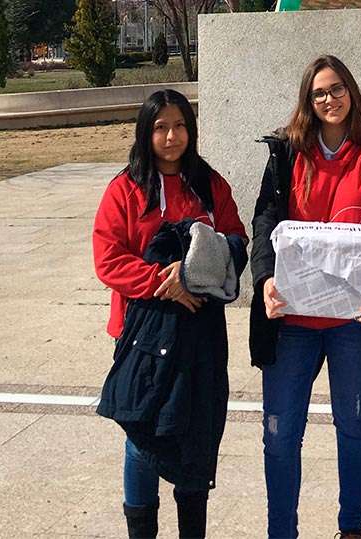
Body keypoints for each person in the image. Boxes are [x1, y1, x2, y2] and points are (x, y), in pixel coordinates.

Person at [248, 55, 361, 539]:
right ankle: (282, 532)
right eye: (319, 93)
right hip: (293, 319)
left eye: (337, 89)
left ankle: (352, 528)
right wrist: (265, 280)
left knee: (355, 427)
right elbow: (264, 221)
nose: (329, 100)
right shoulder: (287, 153)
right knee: (280, 435)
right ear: (308, 100)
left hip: (351, 321)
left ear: (351, 93)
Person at [92, 89, 247, 538]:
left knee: (194, 437)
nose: (171, 136)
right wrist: (164, 283)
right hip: (141, 334)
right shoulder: (125, 188)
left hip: (198, 337)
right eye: (160, 127)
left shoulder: (210, 185)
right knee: (142, 435)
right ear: (146, 133)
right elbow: (108, 258)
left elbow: (236, 240)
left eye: (179, 126)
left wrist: (193, 274)